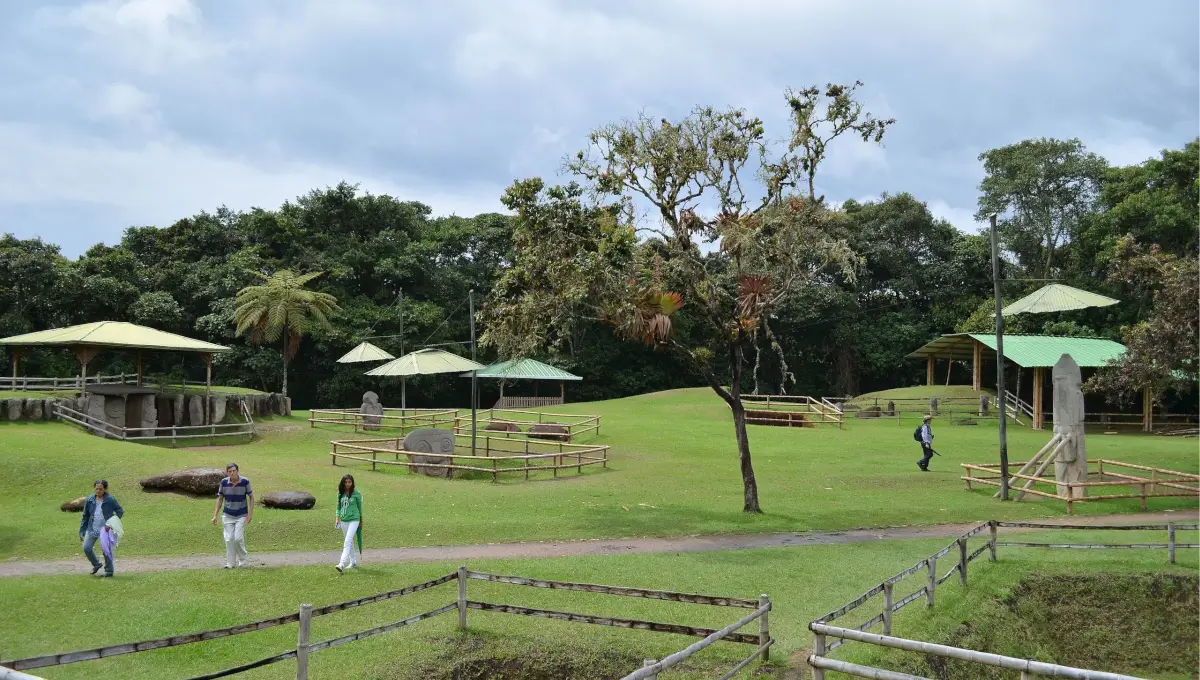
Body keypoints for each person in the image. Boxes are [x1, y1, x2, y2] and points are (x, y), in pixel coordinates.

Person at [212, 463, 253, 569]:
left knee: (238, 538)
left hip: (241, 514)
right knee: (229, 539)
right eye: (230, 471)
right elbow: (220, 498)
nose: (232, 473)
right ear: (227, 473)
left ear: (237, 471)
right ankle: (230, 563)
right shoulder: (224, 482)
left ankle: (242, 560)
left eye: (234, 471)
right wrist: (215, 515)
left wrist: (250, 514)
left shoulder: (245, 481)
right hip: (227, 515)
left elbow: (251, 497)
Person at [79, 479, 123, 577]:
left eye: (100, 489)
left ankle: (109, 571)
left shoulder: (110, 499)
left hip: (105, 529)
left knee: (106, 550)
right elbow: (85, 515)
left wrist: (110, 524)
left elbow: (120, 511)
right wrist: (82, 530)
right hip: (92, 528)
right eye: (96, 489)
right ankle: (96, 564)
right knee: (86, 548)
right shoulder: (90, 499)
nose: (98, 491)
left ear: (105, 489)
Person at [334, 474, 363, 574]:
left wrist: (361, 520)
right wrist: (337, 519)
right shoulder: (340, 493)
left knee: (348, 540)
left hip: (354, 519)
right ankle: (353, 561)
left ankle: (341, 564)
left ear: (352, 483)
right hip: (344, 520)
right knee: (349, 542)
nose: (347, 484)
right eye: (345, 482)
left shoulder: (356, 493)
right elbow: (338, 507)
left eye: (349, 482)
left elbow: (360, 508)